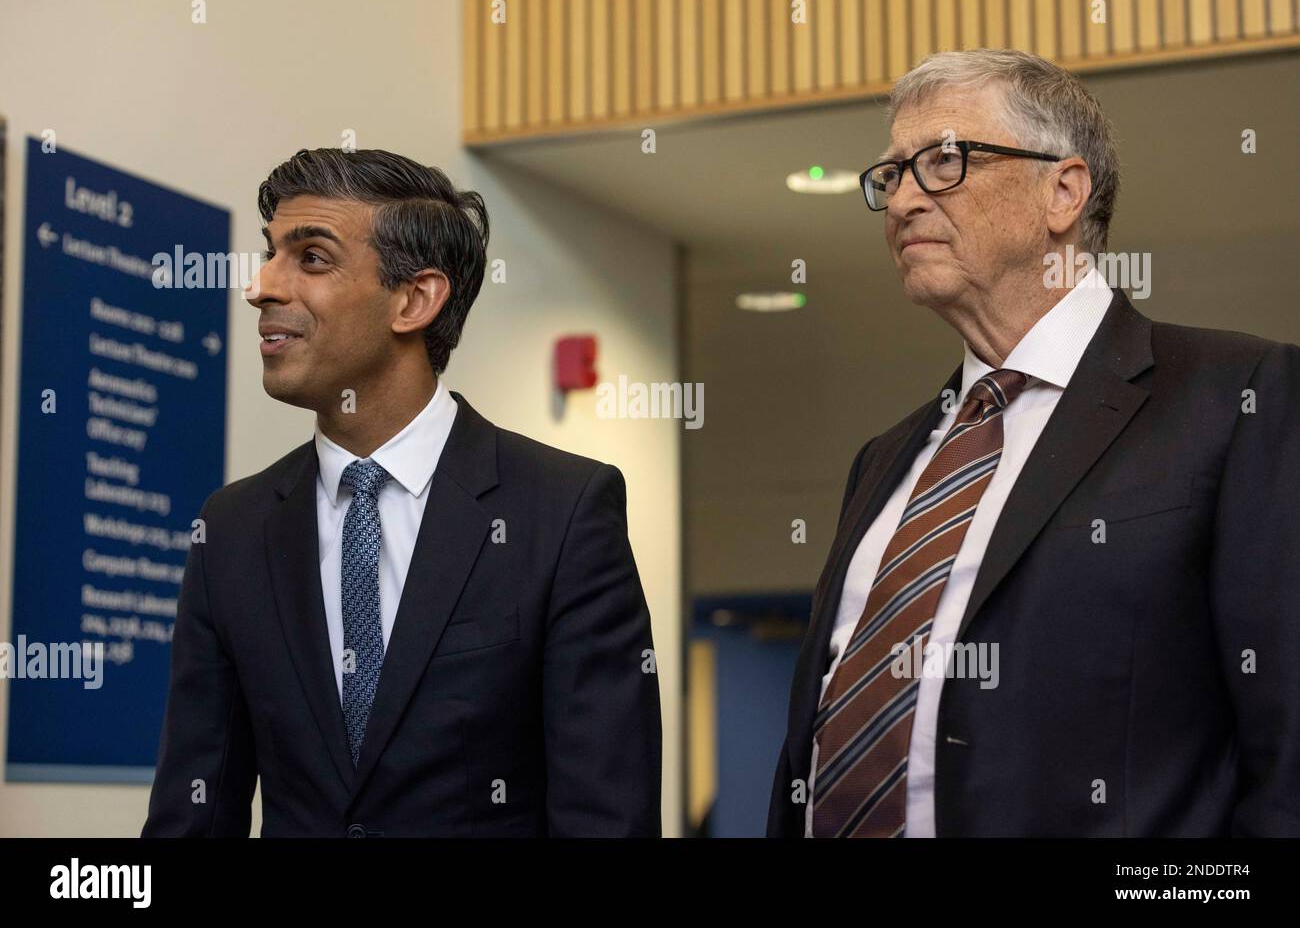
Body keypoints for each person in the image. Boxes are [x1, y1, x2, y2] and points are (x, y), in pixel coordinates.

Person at [768, 49, 1299, 837]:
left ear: (1063, 190)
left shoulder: (1238, 395)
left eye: (942, 160)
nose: (904, 199)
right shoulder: (882, 459)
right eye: (891, 175)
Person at [143, 149, 661, 837]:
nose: (261, 286)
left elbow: (607, 818)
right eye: (269, 255)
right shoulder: (232, 530)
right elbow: (192, 816)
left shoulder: (562, 512)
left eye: (312, 258)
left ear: (415, 299)